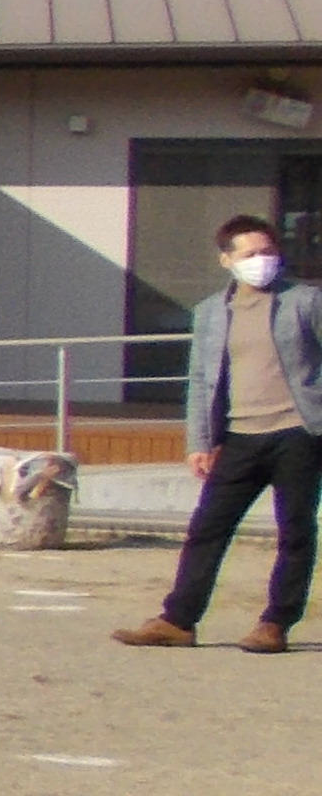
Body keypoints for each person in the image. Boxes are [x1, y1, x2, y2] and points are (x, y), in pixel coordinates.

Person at [117, 212, 322, 655]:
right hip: (239, 437)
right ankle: (178, 620)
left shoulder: (306, 301)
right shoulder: (211, 311)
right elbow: (201, 379)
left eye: (268, 251)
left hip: (299, 433)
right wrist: (200, 441)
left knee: (295, 530)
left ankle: (275, 623)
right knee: (207, 528)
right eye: (250, 254)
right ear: (226, 260)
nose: (262, 260)